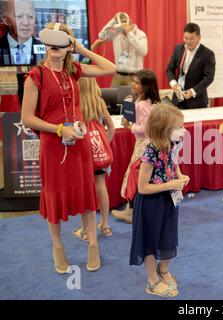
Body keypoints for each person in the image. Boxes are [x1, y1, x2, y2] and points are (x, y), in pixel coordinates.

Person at [21, 22, 116, 274]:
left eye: (61, 41)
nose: (55, 46)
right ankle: (58, 249)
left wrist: (82, 48)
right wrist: (60, 130)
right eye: (51, 40)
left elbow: (110, 68)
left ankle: (93, 245)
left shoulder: (73, 71)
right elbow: (27, 118)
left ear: (67, 46)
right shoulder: (36, 76)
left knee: (86, 195)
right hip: (53, 145)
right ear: (45, 44)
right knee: (54, 195)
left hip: (79, 143)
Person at [130, 103, 189, 298]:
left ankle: (163, 270)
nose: (183, 131)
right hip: (151, 203)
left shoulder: (173, 144)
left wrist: (180, 177)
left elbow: (174, 162)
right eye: (178, 127)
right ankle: (152, 280)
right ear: (163, 130)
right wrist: (172, 184)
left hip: (170, 199)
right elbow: (142, 187)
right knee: (150, 239)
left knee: (168, 235)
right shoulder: (150, 152)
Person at [112, 69, 161, 224]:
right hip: (151, 144)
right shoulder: (152, 103)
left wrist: (129, 127)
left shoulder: (141, 105)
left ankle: (131, 212)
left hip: (143, 146)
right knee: (141, 178)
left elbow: (144, 129)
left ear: (146, 86)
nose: (133, 84)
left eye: (137, 83)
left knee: (134, 177)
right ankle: (133, 211)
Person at [72, 77, 115, 241]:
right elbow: (111, 127)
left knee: (85, 190)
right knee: (101, 185)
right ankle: (105, 224)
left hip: (82, 155)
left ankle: (85, 229)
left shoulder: (75, 103)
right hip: (99, 154)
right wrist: (105, 144)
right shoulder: (99, 102)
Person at [166, 23, 215, 109]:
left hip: (197, 102)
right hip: (178, 100)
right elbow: (170, 69)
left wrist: (193, 91)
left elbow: (209, 78)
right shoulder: (178, 49)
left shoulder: (207, 54)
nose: (188, 42)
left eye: (191, 39)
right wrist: (173, 83)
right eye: (186, 38)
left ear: (199, 38)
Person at [92, 12, 148, 87]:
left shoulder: (140, 34)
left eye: (124, 25)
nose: (122, 28)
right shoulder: (117, 33)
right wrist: (113, 20)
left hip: (134, 76)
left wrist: (129, 34)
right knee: (113, 98)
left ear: (130, 22)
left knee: (132, 98)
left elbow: (144, 51)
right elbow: (101, 36)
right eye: (120, 26)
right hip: (118, 75)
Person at [0, 0, 44, 66]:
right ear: (6, 20)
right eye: (19, 16)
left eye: (30, 16)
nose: (26, 23)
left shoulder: (45, 49)